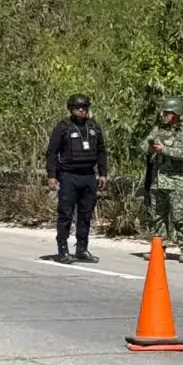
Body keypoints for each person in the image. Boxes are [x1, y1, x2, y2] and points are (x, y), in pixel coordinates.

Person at [45, 93, 108, 264]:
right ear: (71, 109)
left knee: (86, 214)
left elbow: (101, 151)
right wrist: (52, 176)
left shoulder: (94, 127)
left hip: (88, 176)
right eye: (77, 107)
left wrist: (102, 173)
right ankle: (63, 249)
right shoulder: (63, 127)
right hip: (68, 176)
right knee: (66, 213)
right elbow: (52, 152)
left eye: (84, 107)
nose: (81, 110)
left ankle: (81, 248)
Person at [141, 97, 183, 263]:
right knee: (157, 216)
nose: (164, 115)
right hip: (158, 180)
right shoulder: (158, 129)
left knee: (179, 216)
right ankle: (159, 248)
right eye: (164, 112)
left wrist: (164, 149)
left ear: (177, 113)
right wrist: (150, 148)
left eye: (168, 112)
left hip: (177, 182)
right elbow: (144, 145)